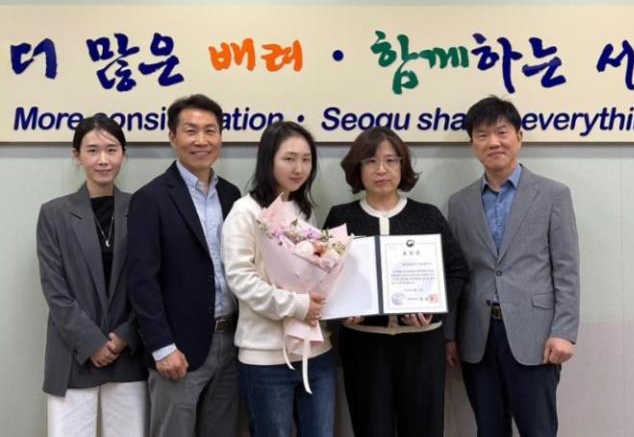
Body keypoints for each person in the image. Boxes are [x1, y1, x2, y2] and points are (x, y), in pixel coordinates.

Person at [446, 96, 580, 437]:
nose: (493, 142)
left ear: (519, 137)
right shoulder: (459, 203)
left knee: (538, 429)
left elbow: (566, 268)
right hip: (477, 336)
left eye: (502, 132)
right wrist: (450, 335)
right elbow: (456, 274)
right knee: (489, 429)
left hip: (535, 335)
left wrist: (564, 331)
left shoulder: (552, 195)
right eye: (482, 135)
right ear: (473, 144)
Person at [323, 128, 467, 437]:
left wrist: (434, 310)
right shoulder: (340, 217)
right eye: (371, 161)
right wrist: (341, 310)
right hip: (364, 344)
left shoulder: (427, 216)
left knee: (424, 429)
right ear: (357, 168)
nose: (381, 169)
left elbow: (457, 270)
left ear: (403, 166)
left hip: (421, 345)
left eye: (391, 160)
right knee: (371, 427)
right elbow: (324, 275)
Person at [127, 94, 241, 437]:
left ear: (221, 137)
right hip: (178, 350)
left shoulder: (232, 196)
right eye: (191, 131)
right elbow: (142, 281)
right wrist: (162, 347)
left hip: (231, 341)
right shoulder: (151, 198)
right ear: (172, 137)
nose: (201, 140)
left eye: (210, 130)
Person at [221, 121, 336, 437]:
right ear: (267, 159)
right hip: (264, 358)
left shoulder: (304, 211)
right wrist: (297, 305)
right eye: (289, 158)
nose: (299, 168)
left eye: (306, 159)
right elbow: (241, 280)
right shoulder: (244, 212)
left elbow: (314, 274)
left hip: (316, 353)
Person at [37, 114, 147, 437]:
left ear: (124, 154)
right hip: (73, 354)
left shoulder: (141, 207)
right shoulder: (54, 214)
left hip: (127, 354)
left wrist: (125, 335)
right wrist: (92, 342)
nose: (103, 160)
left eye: (111, 150)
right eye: (93, 150)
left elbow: (150, 282)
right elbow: (54, 290)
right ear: (77, 155)